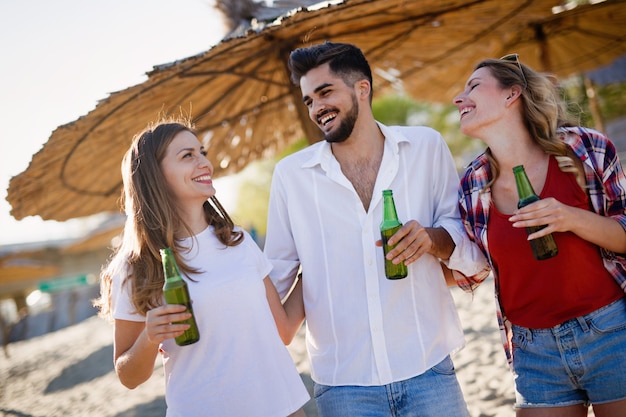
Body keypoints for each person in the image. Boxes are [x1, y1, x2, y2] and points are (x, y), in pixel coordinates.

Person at [263, 41, 490, 416]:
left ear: (362, 89)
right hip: (343, 385)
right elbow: (276, 275)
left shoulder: (425, 147)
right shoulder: (291, 177)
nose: (316, 108)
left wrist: (431, 240)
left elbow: (462, 231)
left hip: (428, 366)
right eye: (308, 101)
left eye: (325, 92)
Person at [93, 119, 309, 417]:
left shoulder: (238, 241)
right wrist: (149, 337)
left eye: (202, 152)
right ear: (156, 176)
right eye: (188, 156)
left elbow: (283, 331)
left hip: (283, 407)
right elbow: (128, 377)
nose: (205, 162)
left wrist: (311, 265)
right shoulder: (138, 268)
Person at [453, 54, 626, 416]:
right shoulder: (471, 184)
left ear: (511, 94)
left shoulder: (585, 149)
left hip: (610, 332)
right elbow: (471, 269)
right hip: (534, 351)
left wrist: (570, 217)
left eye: (473, 86)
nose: (459, 98)